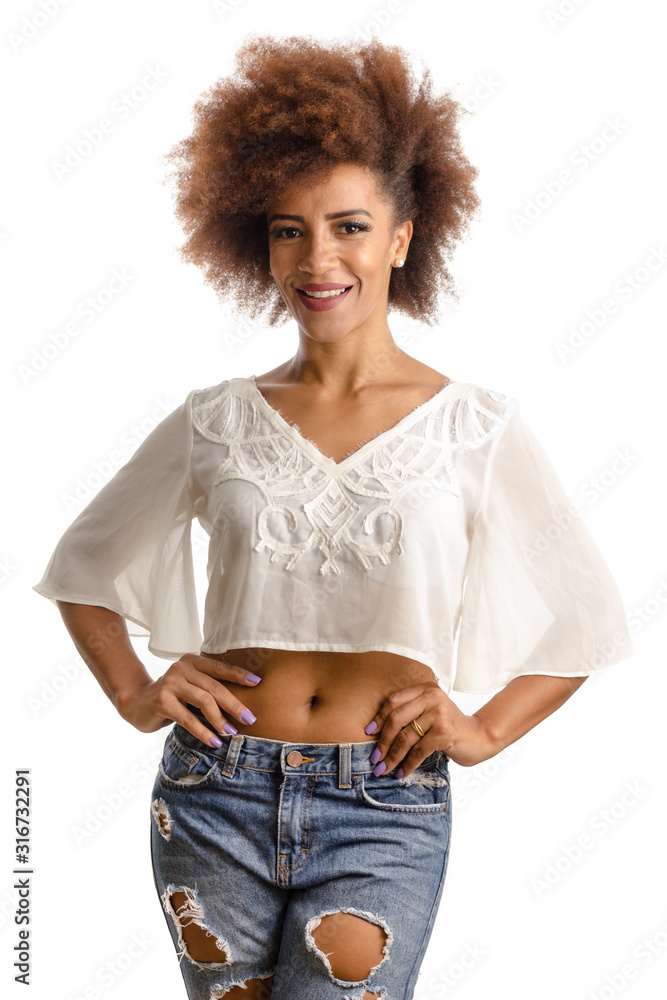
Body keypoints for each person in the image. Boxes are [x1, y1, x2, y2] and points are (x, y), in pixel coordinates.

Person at [32, 34, 634, 1000]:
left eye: (349, 226)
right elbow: (81, 570)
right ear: (256, 242)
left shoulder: (474, 426)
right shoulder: (215, 420)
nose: (318, 259)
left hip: (384, 804)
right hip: (210, 792)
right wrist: (137, 695)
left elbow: (586, 621)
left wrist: (478, 732)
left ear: (401, 237)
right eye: (287, 230)